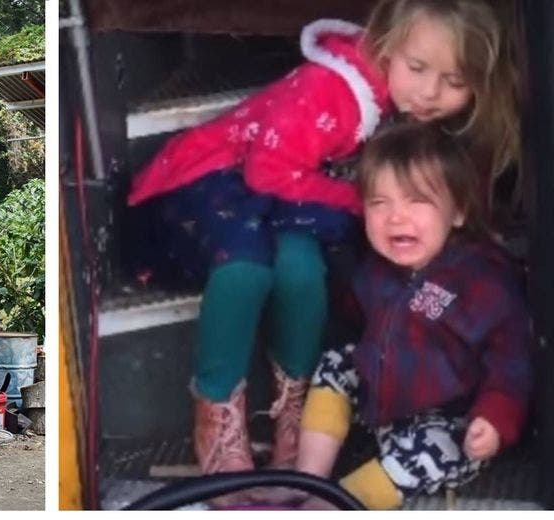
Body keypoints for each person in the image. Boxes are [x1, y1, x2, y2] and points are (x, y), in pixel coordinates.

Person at [125, 0, 519, 485]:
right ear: (387, 46)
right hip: (214, 179)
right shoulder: (331, 90)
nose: (431, 92)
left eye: (455, 82)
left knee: (303, 271)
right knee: (246, 269)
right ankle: (218, 410)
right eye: (418, 68)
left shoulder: (409, 111)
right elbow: (266, 172)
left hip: (291, 196)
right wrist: (363, 200)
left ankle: (296, 406)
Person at [293, 121, 532, 509]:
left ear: (457, 212)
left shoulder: (481, 281)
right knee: (336, 362)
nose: (396, 218)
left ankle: (332, 505)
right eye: (379, 203)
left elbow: (513, 361)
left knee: (428, 451)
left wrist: (495, 419)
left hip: (453, 421)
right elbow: (361, 314)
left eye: (416, 200)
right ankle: (306, 479)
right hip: (387, 396)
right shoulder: (376, 268)